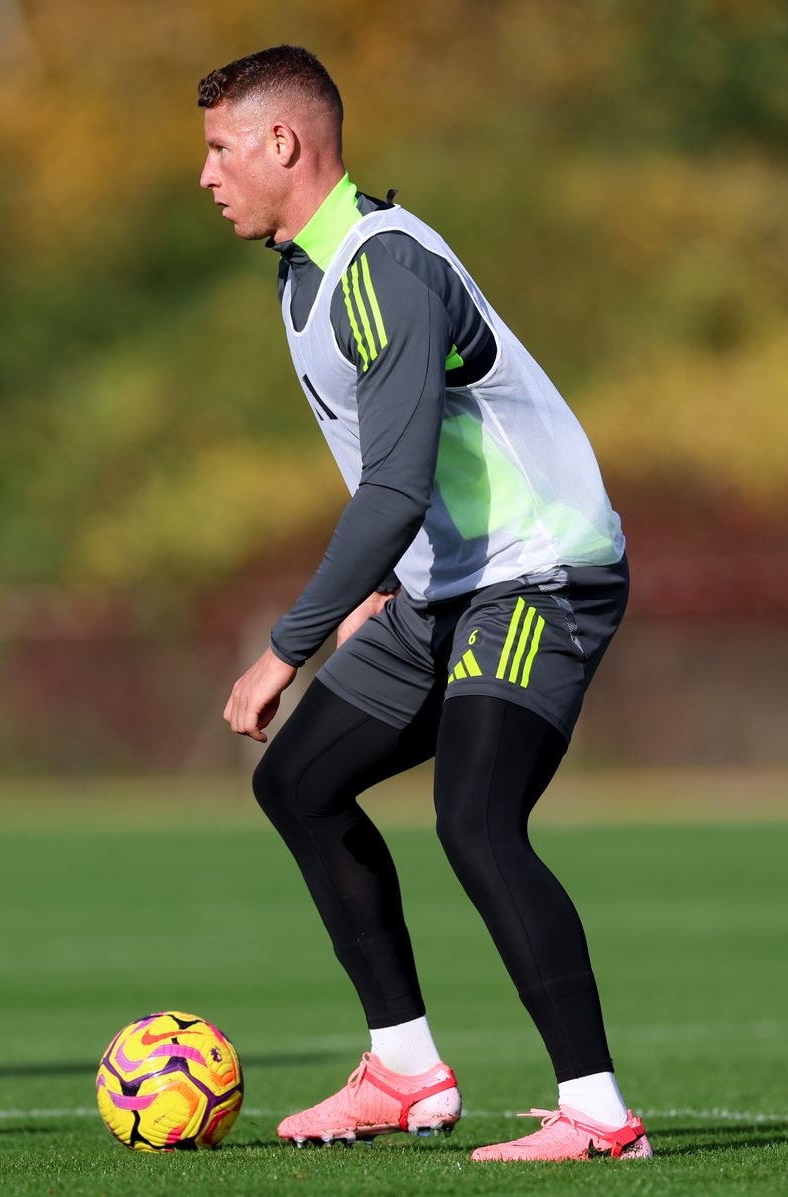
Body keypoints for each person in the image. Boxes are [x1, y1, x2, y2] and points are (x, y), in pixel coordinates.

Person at [201, 45, 648, 1163]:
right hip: (449, 581)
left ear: (281, 144)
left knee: (477, 818)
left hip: (543, 571)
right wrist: (388, 592)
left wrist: (285, 648)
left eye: (218, 149)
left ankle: (599, 1117)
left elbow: (396, 486)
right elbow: (401, 471)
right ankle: (404, 1069)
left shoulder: (379, 268)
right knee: (299, 785)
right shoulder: (304, 273)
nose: (206, 174)